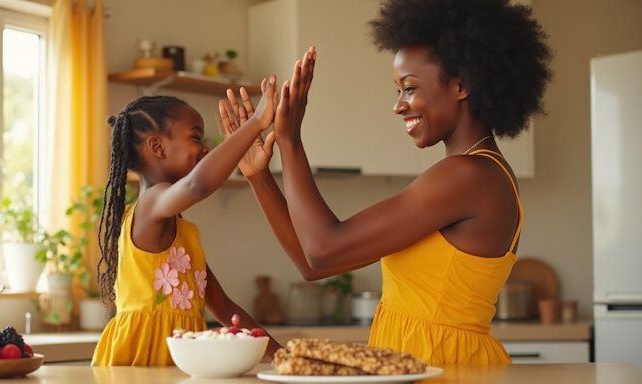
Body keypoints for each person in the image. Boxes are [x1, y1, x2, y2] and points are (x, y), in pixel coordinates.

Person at [220, 0, 551, 365]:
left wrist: (290, 139)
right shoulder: (477, 173)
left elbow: (323, 248)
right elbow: (313, 264)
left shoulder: (467, 176)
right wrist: (258, 175)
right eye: (398, 91)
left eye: (409, 88)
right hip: (422, 365)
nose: (399, 105)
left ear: (462, 85)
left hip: (442, 369)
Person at [91, 80, 282, 366]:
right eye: (196, 138)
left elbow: (224, 307)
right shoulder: (150, 205)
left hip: (179, 364)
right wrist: (254, 124)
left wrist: (283, 356)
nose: (204, 149)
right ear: (157, 147)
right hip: (139, 364)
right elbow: (196, 186)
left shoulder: (181, 236)